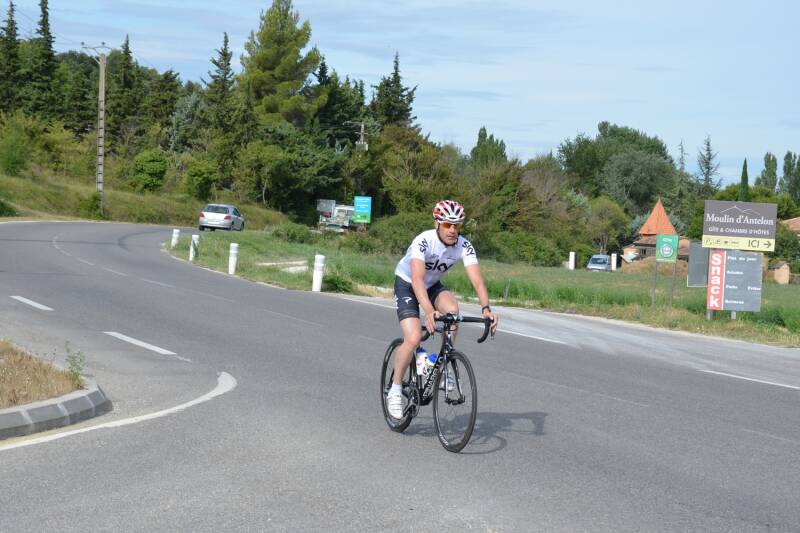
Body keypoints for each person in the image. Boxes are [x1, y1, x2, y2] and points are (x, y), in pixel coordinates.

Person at [386, 199, 499, 419]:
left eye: (457, 225)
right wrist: (428, 311)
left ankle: (443, 363)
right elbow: (417, 279)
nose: (453, 230)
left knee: (452, 311)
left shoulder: (464, 245)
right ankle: (396, 390)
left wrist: (486, 309)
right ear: (437, 223)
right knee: (413, 338)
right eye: (448, 224)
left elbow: (477, 281)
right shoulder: (424, 241)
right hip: (408, 284)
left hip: (431, 285)